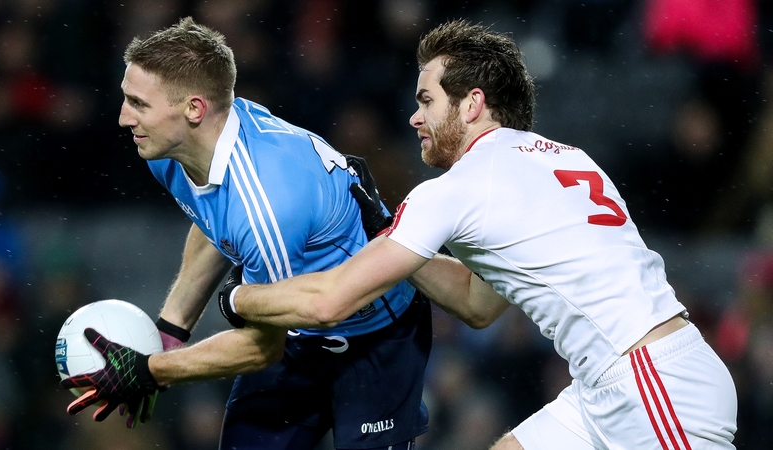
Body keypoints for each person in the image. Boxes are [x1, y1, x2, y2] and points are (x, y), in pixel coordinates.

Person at [224, 19, 739, 449]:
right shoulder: (561, 158)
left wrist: (239, 298)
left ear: (472, 104)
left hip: (651, 387)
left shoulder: (459, 187)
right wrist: (390, 233)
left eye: (426, 100)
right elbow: (478, 303)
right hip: (620, 381)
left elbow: (328, 303)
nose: (413, 116)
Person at [60, 17, 432, 450]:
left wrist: (151, 369)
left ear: (194, 109)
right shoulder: (177, 146)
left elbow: (262, 348)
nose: (124, 117)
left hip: (374, 336)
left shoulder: (268, 202)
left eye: (138, 104)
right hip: (298, 325)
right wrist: (169, 331)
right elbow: (216, 221)